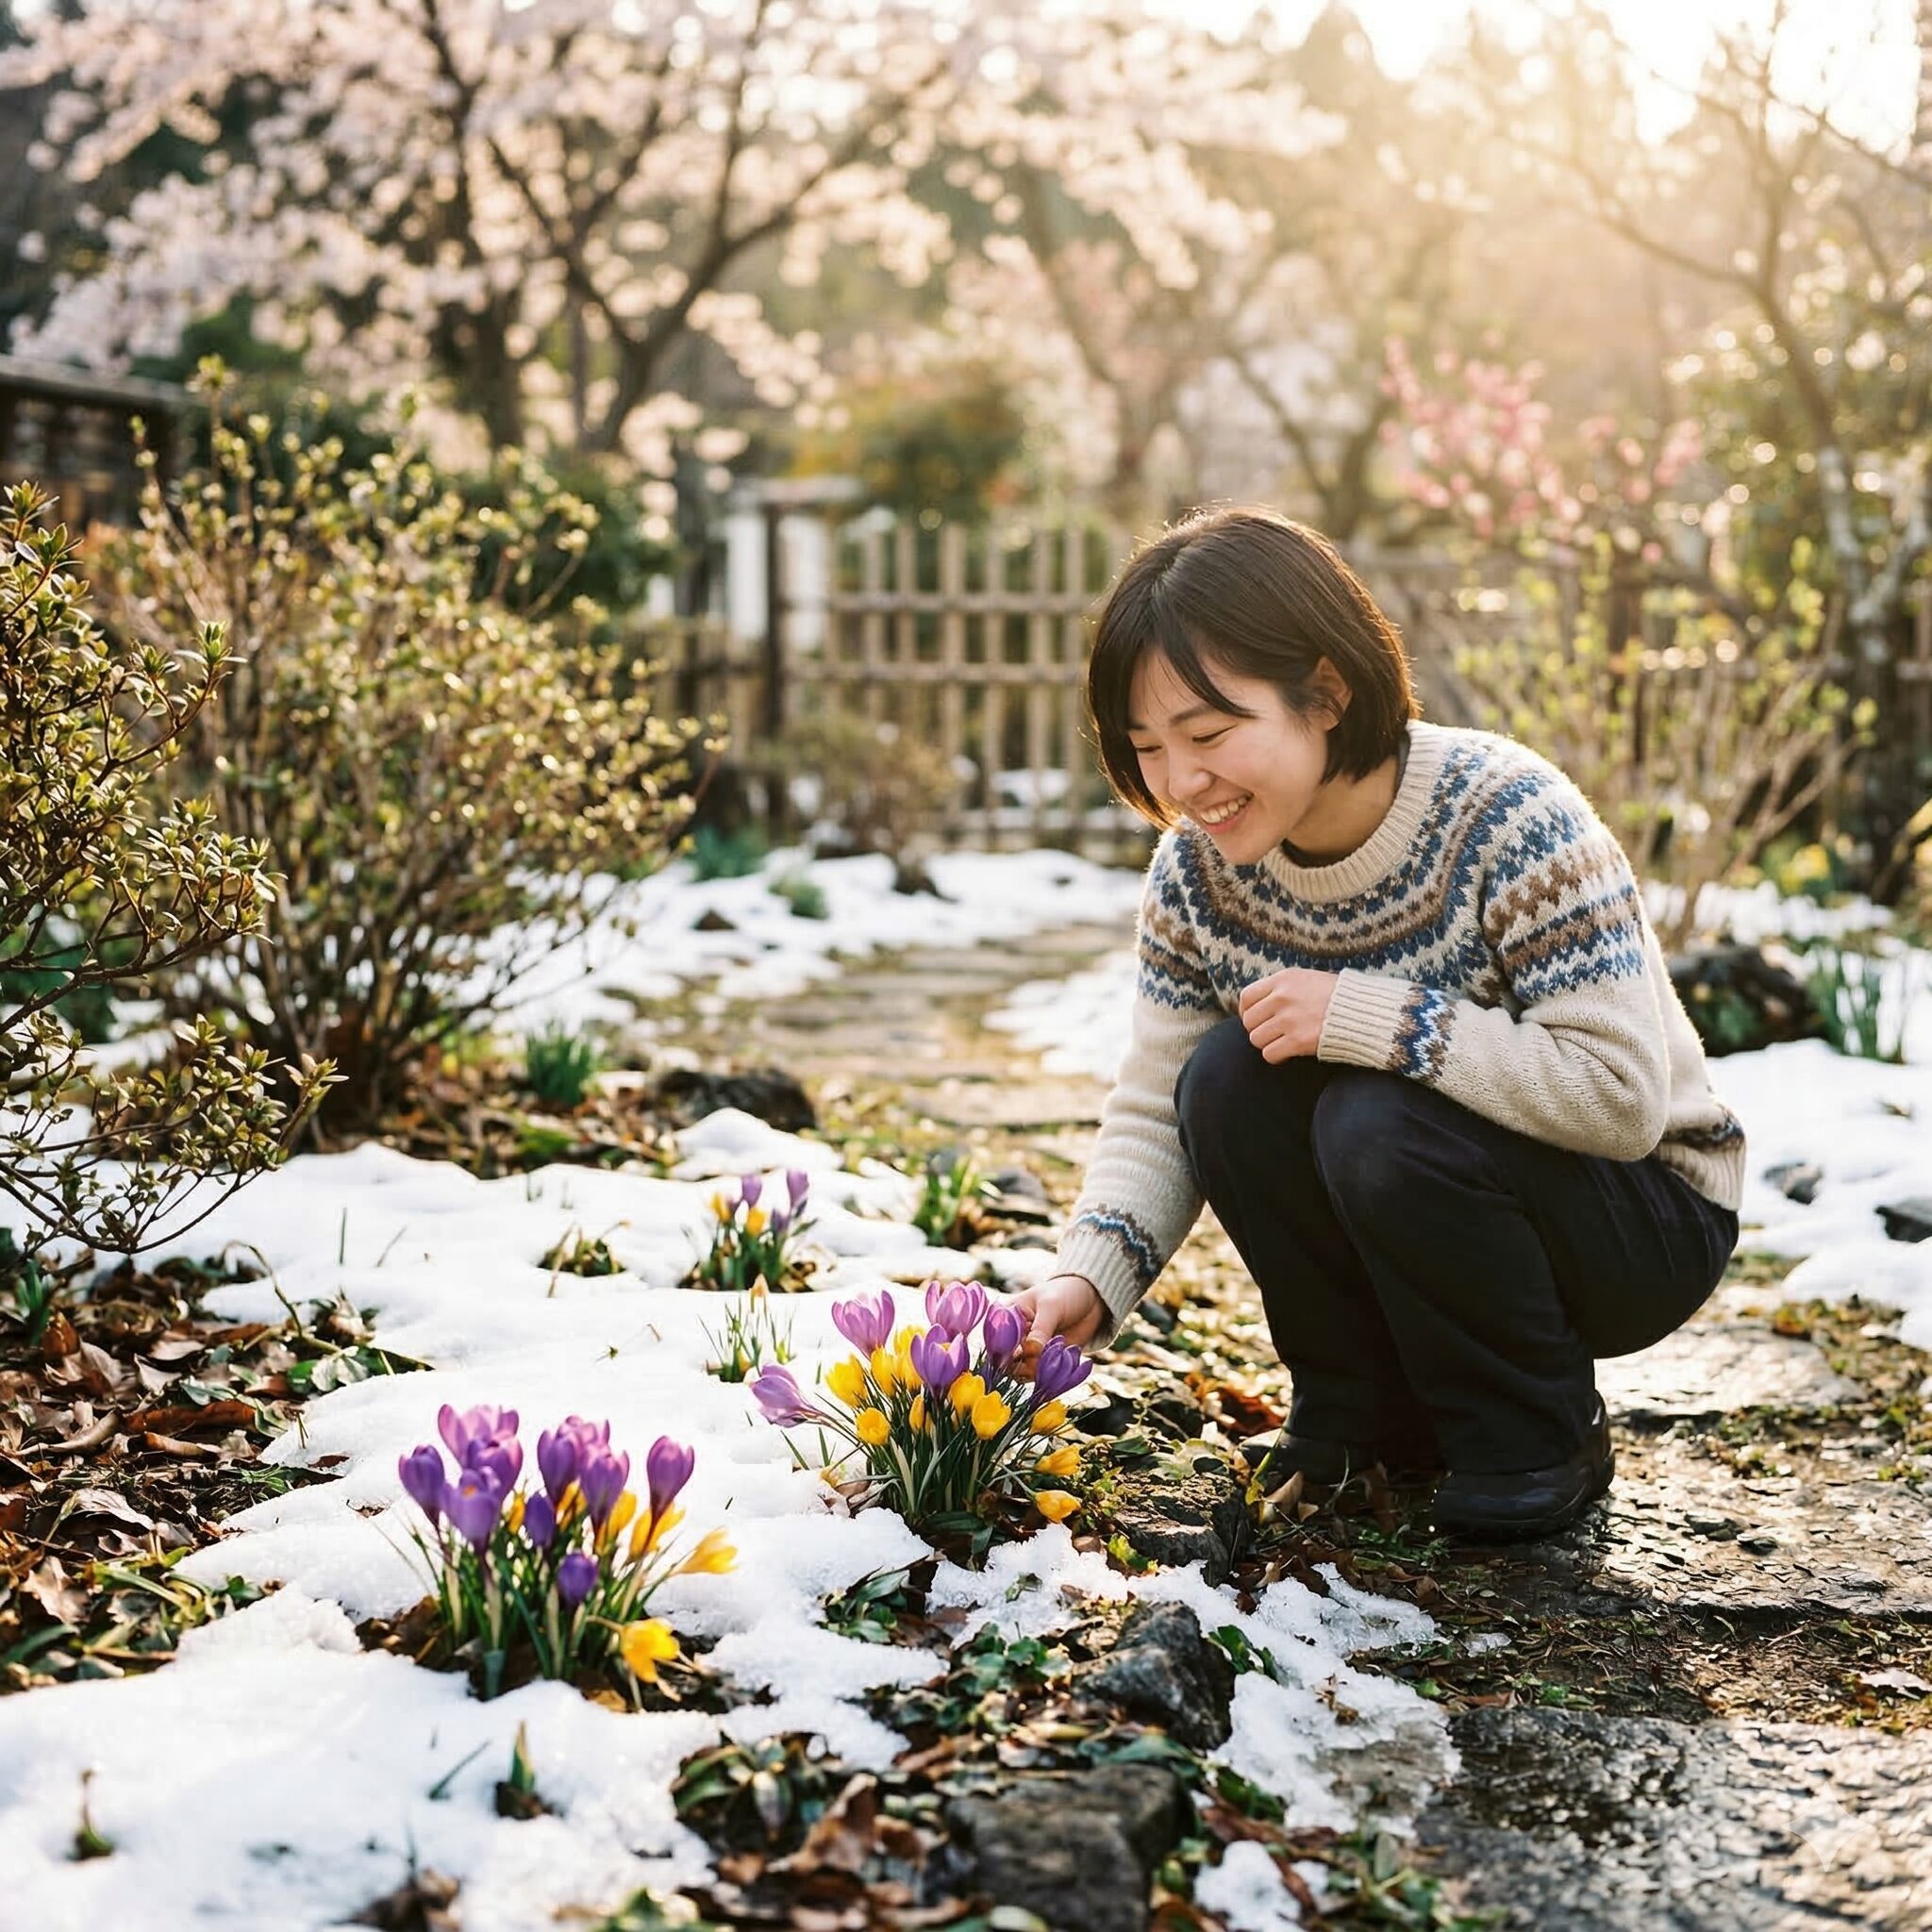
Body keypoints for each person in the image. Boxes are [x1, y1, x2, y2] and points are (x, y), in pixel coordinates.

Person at [1007, 506, 1742, 1540]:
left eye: (1209, 734)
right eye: (1148, 748)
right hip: (1442, 1176)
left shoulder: (1507, 818)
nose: (1181, 783)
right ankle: (1358, 1414)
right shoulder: (1198, 874)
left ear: (1325, 690)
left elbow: (1619, 1101)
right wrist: (1092, 1269)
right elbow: (1157, 1103)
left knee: (1371, 1115)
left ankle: (1535, 1430)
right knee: (1223, 1076)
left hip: (1640, 1213)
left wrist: (1374, 1016)